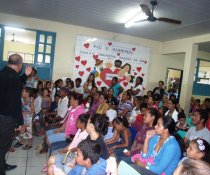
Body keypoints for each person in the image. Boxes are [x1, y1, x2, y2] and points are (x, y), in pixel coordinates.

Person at [0, 54, 32, 174]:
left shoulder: (2, 73)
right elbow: (15, 103)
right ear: (20, 65)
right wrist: (20, 123)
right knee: (3, 146)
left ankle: (3, 165)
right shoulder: (13, 78)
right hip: (5, 118)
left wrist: (24, 76)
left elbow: (15, 85)